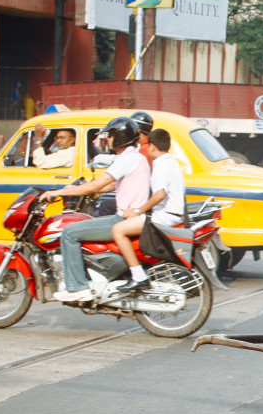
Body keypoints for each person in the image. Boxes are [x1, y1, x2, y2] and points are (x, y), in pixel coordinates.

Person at [49, 117, 152, 303]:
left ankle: (78, 288)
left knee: (69, 232)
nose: (108, 140)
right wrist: (71, 190)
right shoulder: (136, 158)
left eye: (111, 136)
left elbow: (97, 186)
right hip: (132, 217)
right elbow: (111, 185)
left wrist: (58, 192)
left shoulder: (126, 159)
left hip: (122, 219)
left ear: (120, 137)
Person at [110, 128, 185, 291]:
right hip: (173, 215)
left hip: (164, 216)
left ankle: (138, 276)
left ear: (151, 146)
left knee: (118, 230)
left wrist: (139, 210)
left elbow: (160, 193)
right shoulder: (171, 163)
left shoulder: (160, 165)